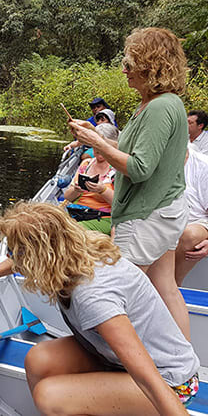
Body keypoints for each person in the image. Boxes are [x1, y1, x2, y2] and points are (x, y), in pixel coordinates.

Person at [0, 202, 199, 415]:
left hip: (170, 383)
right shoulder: (74, 251)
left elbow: (147, 377)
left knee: (49, 396)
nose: (13, 258)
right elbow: (26, 258)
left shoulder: (93, 297)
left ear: (38, 258)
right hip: (113, 359)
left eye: (14, 251)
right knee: (38, 359)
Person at [69, 27, 191, 340]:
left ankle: (130, 365)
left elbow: (139, 168)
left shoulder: (160, 107)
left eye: (130, 63)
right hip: (166, 210)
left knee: (122, 293)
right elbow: (140, 150)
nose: (124, 70)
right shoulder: (163, 103)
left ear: (152, 66)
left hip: (146, 216)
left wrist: (100, 145)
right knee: (166, 287)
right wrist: (96, 135)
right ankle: (182, 359)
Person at [63, 124, 119, 234]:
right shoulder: (86, 164)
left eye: (101, 145)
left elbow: (120, 205)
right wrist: (76, 190)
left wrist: (102, 190)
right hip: (76, 214)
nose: (98, 150)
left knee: (69, 232)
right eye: (95, 145)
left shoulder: (117, 168)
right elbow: (68, 197)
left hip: (102, 218)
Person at [175, 146, 208, 285]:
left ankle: (174, 286)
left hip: (195, 221)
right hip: (163, 220)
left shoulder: (203, 165)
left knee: (189, 234)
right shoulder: (149, 161)